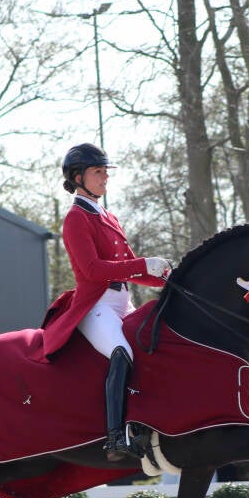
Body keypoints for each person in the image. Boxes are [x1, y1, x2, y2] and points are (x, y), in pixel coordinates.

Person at [41, 143, 171, 461]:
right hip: (96, 305)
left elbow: (131, 269)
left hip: (121, 303)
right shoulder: (75, 218)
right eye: (98, 172)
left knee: (152, 346)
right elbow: (92, 270)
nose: (104, 178)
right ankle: (114, 437)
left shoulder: (108, 217)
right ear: (78, 177)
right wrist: (144, 264)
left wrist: (168, 279)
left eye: (105, 172)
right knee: (121, 351)